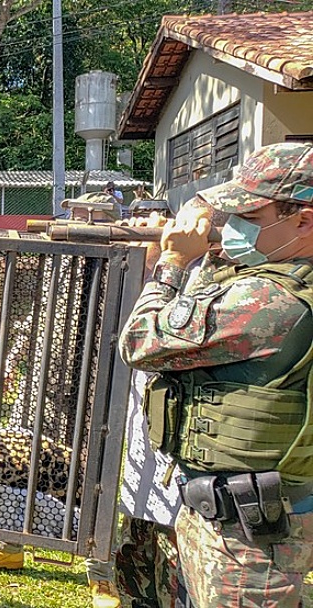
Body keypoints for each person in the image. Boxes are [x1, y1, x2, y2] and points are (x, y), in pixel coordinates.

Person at [119, 141, 313, 607]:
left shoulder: (272, 302)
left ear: (303, 219)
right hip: (242, 511)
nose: (237, 225)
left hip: (250, 532)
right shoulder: (282, 277)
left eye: (252, 217)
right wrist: (215, 250)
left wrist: (172, 262)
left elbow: (141, 341)